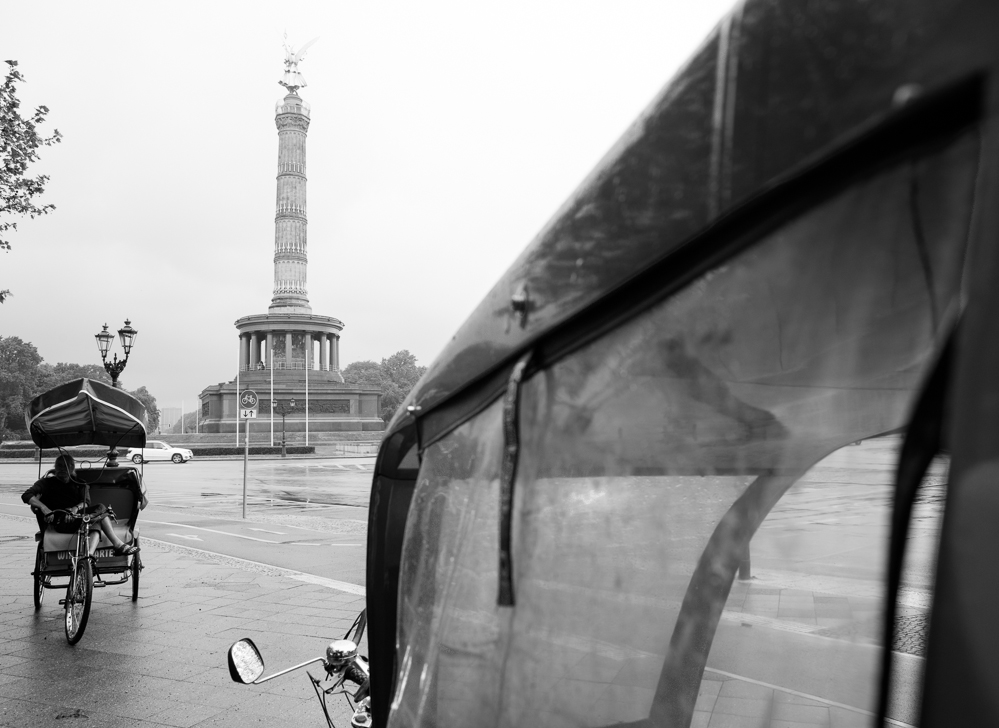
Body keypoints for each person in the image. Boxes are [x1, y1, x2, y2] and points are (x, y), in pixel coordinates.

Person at [21, 454, 140, 555]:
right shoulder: (46, 483)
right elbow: (27, 495)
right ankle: (118, 545)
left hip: (80, 518)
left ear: (72, 468)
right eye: (60, 466)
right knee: (97, 520)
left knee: (100, 508)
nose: (63, 469)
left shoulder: (80, 484)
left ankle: (89, 557)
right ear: (55, 467)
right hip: (60, 521)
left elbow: (86, 502)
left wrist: (74, 509)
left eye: (66, 466)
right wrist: (44, 508)